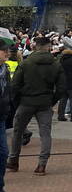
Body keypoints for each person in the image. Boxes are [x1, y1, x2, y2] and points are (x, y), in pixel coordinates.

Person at [7, 35, 64, 175]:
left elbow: (15, 85)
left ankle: (13, 161)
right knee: (45, 133)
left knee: (18, 132)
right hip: (45, 102)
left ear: (34, 47)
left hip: (26, 101)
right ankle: (41, 164)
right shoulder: (56, 64)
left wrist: (17, 100)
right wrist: (52, 100)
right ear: (49, 47)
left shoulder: (26, 63)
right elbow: (62, 88)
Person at [0, 30, 17, 192]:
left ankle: (0, 189)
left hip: (1, 116)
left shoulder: (5, 68)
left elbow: (8, 91)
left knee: (3, 153)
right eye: (3, 50)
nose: (7, 53)